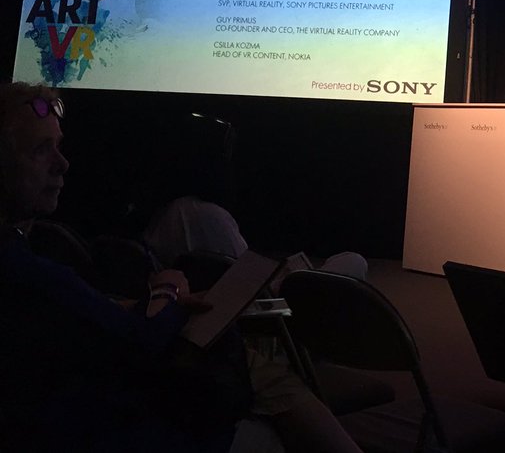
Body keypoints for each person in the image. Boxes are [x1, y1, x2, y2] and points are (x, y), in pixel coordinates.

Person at [0, 81, 362, 453]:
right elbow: (136, 340)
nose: (62, 164)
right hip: (127, 429)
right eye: (40, 150)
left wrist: (149, 306)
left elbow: (85, 319)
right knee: (346, 270)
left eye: (58, 146)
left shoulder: (50, 257)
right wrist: (167, 288)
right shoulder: (28, 273)